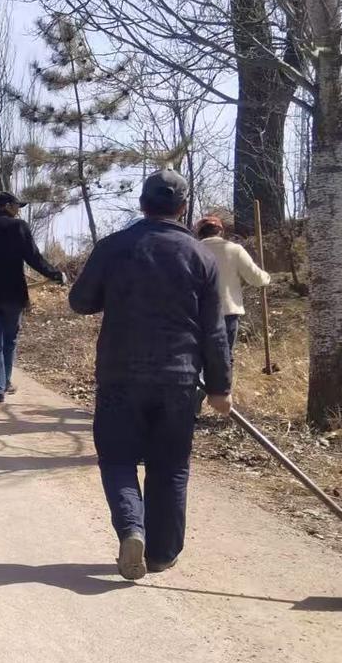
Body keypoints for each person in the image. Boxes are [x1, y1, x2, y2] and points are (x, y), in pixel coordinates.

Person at [69, 171, 232, 582]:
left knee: (119, 459)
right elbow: (214, 330)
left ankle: (131, 530)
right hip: (179, 381)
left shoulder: (114, 247)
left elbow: (81, 301)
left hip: (119, 376)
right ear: (182, 208)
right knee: (170, 467)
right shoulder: (201, 256)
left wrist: (115, 288)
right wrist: (220, 387)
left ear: (142, 203)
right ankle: (161, 554)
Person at [0, 191, 65, 402]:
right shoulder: (18, 228)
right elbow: (34, 258)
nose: (18, 210)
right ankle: (5, 381)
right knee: (10, 340)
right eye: (17, 206)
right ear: (7, 206)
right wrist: (54, 273)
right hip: (13, 296)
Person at [195, 215, 271, 354]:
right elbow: (255, 278)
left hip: (198, 314)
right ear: (220, 231)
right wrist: (266, 278)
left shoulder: (192, 250)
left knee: (199, 359)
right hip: (228, 313)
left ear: (199, 233)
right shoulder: (234, 250)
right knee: (224, 359)